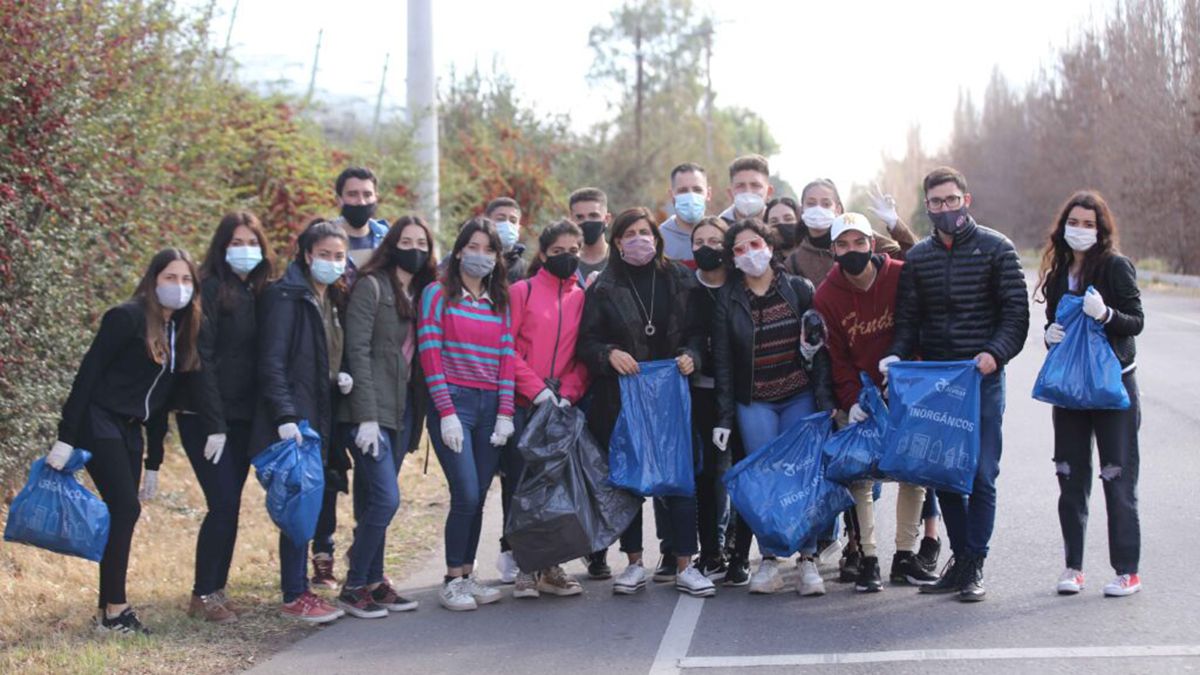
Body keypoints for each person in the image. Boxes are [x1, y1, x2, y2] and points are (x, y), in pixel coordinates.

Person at [883, 166, 1029, 602]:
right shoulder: (919, 258)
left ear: (967, 200)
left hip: (981, 378)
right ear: (926, 207)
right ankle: (962, 561)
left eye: (951, 200)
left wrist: (995, 353)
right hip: (938, 383)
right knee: (944, 472)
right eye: (936, 203)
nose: (944, 209)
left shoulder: (997, 249)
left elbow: (1016, 315)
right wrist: (898, 354)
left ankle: (974, 563)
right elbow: (908, 320)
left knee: (982, 473)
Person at [48, 247, 203, 635]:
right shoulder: (126, 317)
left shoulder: (179, 330)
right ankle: (116, 611)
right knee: (126, 508)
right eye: (171, 277)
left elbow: (160, 401)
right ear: (153, 280)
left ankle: (108, 609)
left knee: (123, 513)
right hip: (98, 420)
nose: (178, 287)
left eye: (186, 280)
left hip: (131, 428)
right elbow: (88, 375)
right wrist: (66, 436)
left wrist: (154, 460)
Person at [576, 207, 715, 598]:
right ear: (617, 242)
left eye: (646, 232)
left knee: (680, 477)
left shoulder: (680, 279)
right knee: (629, 480)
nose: (640, 239)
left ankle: (686, 564)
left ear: (656, 238)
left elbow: (700, 333)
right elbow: (586, 342)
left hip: (673, 394)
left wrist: (692, 355)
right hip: (622, 396)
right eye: (630, 234)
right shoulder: (602, 288)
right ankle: (634, 563)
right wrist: (608, 355)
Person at [813, 213, 939, 593]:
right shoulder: (826, 295)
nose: (852, 251)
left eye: (859, 242)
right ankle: (868, 558)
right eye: (843, 245)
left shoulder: (900, 274)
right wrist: (851, 401)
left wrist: (908, 377)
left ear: (872, 243)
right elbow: (836, 356)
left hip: (908, 384)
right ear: (833, 250)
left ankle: (905, 555)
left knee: (913, 472)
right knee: (860, 477)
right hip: (863, 392)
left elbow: (921, 323)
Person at [711, 218, 835, 596]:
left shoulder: (799, 289)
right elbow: (724, 365)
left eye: (755, 244)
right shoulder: (727, 300)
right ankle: (768, 560)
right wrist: (724, 418)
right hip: (756, 402)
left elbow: (820, 347)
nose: (750, 254)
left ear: (769, 244)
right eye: (739, 249)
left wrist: (825, 401)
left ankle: (809, 559)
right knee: (766, 479)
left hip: (799, 396)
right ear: (732, 258)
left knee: (802, 477)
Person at [1034, 190, 1143, 597]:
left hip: (1113, 387)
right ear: (1063, 228)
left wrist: (1107, 315)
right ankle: (1073, 567)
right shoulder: (1059, 273)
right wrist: (1050, 336)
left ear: (1101, 230)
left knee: (1117, 476)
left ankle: (1127, 570)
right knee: (1069, 475)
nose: (1080, 230)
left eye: (1088, 224)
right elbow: (1053, 323)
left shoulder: (1115, 267)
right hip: (1070, 389)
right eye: (1074, 223)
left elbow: (1135, 321)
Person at [252, 220, 353, 623]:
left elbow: (322, 353)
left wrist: (339, 374)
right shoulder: (286, 296)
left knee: (312, 501)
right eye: (324, 254)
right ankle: (294, 593)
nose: (331, 262)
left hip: (322, 413)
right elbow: (272, 362)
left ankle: (304, 587)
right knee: (297, 503)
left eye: (339, 256)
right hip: (296, 418)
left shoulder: (330, 297)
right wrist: (285, 416)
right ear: (307, 255)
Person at [334, 216, 436, 618]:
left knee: (375, 496)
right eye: (407, 241)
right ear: (391, 244)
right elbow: (356, 351)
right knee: (386, 498)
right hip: (370, 411)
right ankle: (354, 583)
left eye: (422, 243)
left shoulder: (423, 291)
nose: (415, 248)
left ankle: (374, 580)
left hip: (404, 409)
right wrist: (366, 416)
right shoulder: (371, 286)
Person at [177, 213, 274, 624]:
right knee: (222, 502)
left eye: (252, 241)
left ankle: (216, 589)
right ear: (221, 246)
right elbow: (204, 361)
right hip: (206, 418)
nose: (245, 249)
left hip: (241, 419)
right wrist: (214, 423)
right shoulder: (210, 290)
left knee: (231, 506)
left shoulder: (257, 291)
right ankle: (201, 595)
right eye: (236, 242)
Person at [419, 218, 516, 611]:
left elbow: (507, 358)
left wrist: (506, 413)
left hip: (490, 403)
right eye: (473, 247)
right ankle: (450, 580)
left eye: (489, 250)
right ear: (459, 251)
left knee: (478, 499)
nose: (480, 256)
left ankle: (467, 574)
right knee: (465, 493)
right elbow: (430, 354)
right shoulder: (437, 294)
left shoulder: (500, 300)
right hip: (454, 403)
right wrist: (445, 411)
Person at [501, 220, 592, 599]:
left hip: (562, 404)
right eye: (558, 252)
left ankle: (551, 566)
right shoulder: (521, 291)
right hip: (526, 401)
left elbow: (584, 354)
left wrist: (567, 392)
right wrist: (536, 390)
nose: (567, 258)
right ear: (542, 254)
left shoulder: (582, 296)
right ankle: (524, 566)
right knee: (521, 484)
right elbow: (506, 347)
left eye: (574, 252)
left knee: (556, 487)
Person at [312, 166, 390, 589]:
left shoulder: (386, 238)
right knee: (327, 468)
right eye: (352, 194)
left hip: (371, 368)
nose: (360, 201)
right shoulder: (324, 238)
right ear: (338, 195)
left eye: (367, 194)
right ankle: (321, 550)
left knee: (370, 465)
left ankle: (363, 550)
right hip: (329, 368)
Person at [683, 216, 740, 583]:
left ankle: (737, 546)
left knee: (738, 472)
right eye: (699, 241)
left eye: (714, 240)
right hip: (699, 394)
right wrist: (691, 356)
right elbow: (686, 335)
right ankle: (712, 550)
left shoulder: (740, 286)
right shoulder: (685, 288)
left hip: (741, 394)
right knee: (708, 475)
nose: (707, 247)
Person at [785, 179, 915, 285]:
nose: (818, 209)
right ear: (802, 210)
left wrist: (894, 224)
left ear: (838, 209)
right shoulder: (795, 262)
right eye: (811, 204)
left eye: (826, 204)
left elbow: (913, 257)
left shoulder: (861, 236)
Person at [660, 162, 713, 269]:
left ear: (708, 194)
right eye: (683, 191)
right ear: (671, 195)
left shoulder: (720, 233)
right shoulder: (659, 238)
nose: (691, 196)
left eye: (697, 190)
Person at [568, 187, 612, 284]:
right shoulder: (564, 262)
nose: (587, 222)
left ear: (607, 219)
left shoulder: (620, 260)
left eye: (593, 216)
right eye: (580, 217)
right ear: (571, 221)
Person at [718, 154, 773, 225]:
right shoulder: (718, 228)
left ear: (769, 192)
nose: (748, 191)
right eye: (740, 186)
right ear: (730, 193)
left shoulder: (779, 227)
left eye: (755, 185)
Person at [486, 197, 529, 282]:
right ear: (487, 222)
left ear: (518, 227)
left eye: (513, 221)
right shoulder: (474, 260)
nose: (507, 224)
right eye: (500, 219)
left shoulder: (525, 270)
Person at [765, 196, 803, 261]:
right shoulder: (765, 262)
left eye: (788, 219)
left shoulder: (813, 257)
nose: (781, 224)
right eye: (774, 221)